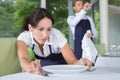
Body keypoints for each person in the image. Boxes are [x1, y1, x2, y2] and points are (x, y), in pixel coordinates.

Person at [17, 8, 92, 74]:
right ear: (30, 28)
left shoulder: (56, 35)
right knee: (44, 63)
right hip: (48, 68)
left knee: (45, 63)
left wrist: (80, 63)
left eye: (49, 29)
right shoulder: (24, 37)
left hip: (64, 64)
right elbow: (23, 58)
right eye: (41, 29)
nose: (45, 35)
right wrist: (30, 66)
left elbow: (72, 62)